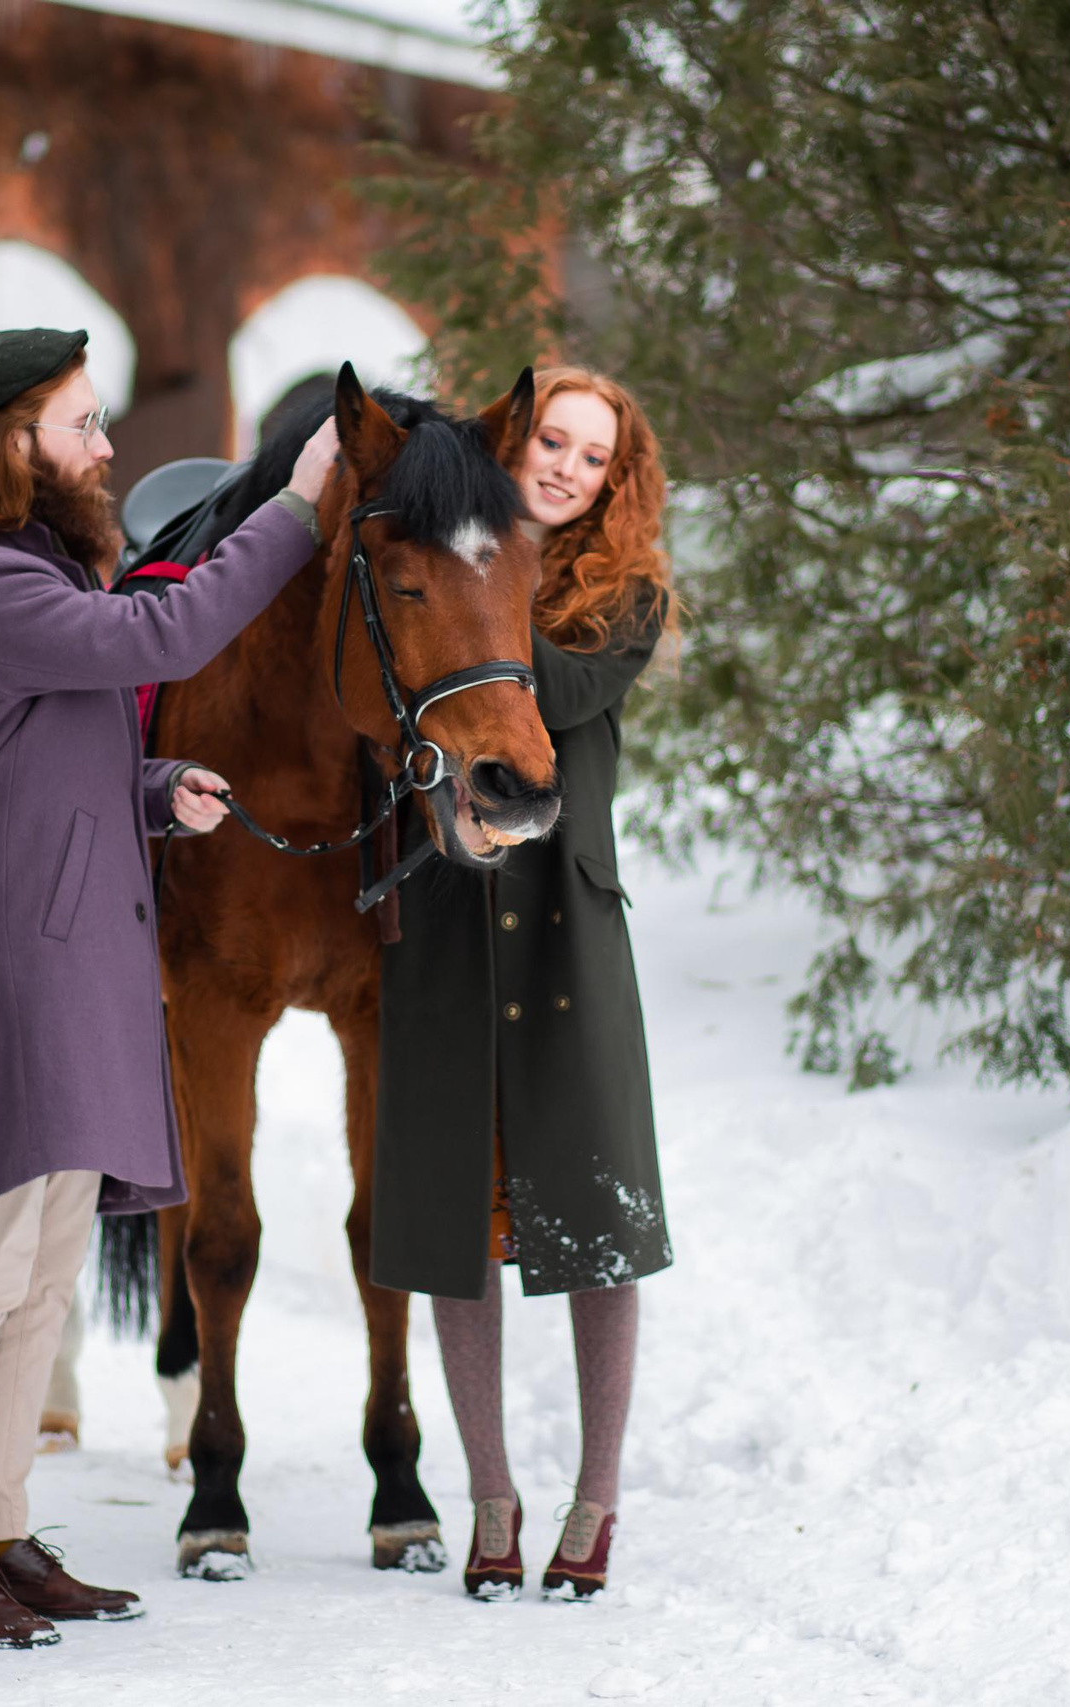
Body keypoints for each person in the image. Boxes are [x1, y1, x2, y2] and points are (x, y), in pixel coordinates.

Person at [0, 326, 337, 1649]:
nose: (106, 445)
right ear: (13, 443)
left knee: (43, 1271)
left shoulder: (35, 568)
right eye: (81, 423)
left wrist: (154, 787)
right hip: (17, 955)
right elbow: (168, 627)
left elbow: (47, 747)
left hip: (80, 946)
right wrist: (294, 507)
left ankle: (1, 1531)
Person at [370, 367, 676, 1601]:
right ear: (514, 443)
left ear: (614, 482)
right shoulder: (448, 556)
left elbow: (560, 688)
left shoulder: (626, 593)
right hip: (448, 917)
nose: (564, 468)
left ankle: (596, 1499)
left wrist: (468, 587)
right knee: (457, 1218)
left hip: (565, 934)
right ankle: (489, 1496)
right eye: (550, 440)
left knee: (595, 1214)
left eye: (593, 457)